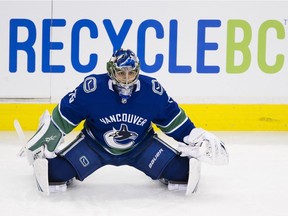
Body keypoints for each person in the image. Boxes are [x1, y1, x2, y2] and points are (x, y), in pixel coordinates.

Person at [22, 48, 228, 195]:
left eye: (131, 72)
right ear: (111, 71)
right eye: (121, 72)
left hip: (142, 147)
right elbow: (64, 117)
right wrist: (45, 138)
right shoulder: (92, 89)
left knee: (183, 173)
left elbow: (173, 120)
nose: (127, 78)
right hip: (95, 146)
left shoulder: (151, 91)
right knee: (54, 175)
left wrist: (192, 135)